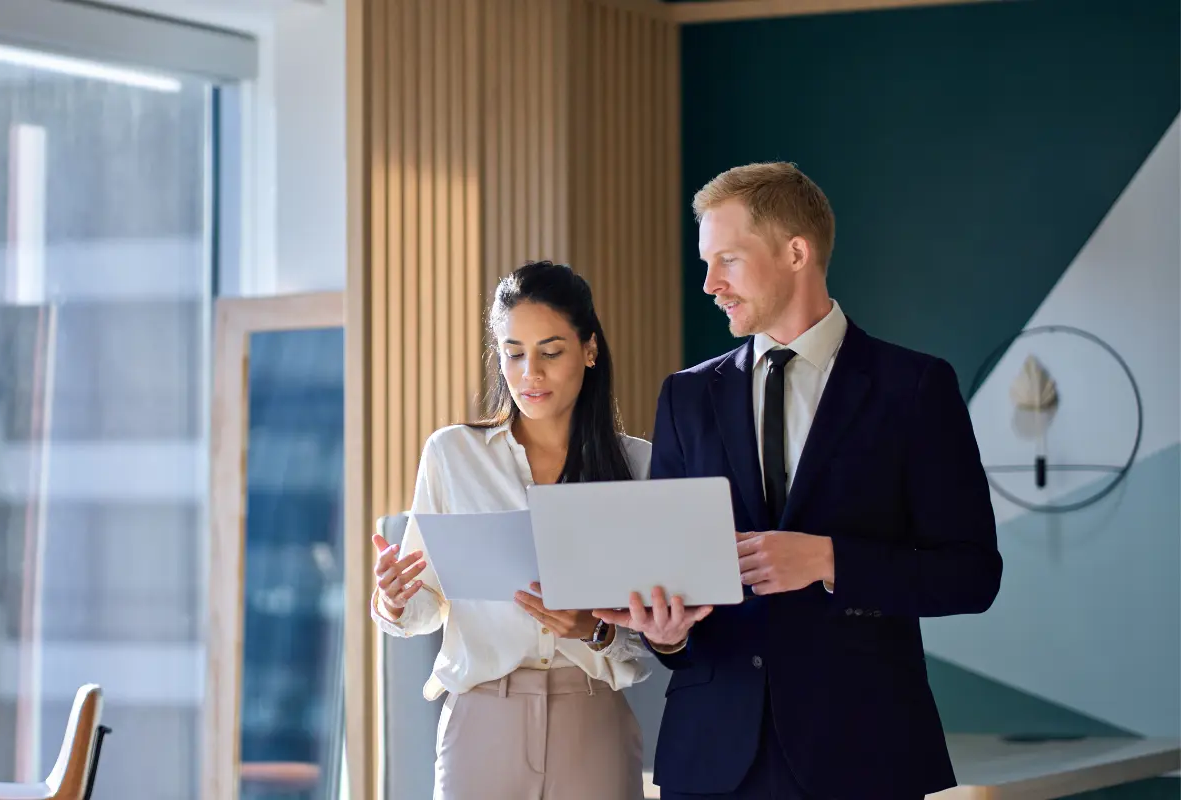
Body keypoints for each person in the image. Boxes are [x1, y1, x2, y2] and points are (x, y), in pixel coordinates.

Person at [596, 163, 1003, 800]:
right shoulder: (685, 396)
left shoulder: (914, 388)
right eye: (706, 263)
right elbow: (671, 583)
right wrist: (665, 633)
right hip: (712, 756)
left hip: (865, 751)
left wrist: (828, 559)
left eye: (727, 259)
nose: (710, 284)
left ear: (796, 251)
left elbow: (974, 574)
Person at [371, 260, 652, 800]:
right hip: (481, 720)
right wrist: (392, 598)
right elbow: (423, 606)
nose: (531, 373)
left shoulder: (638, 466)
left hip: (591, 719)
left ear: (589, 350)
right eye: (514, 353)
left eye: (550, 352)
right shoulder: (452, 455)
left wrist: (594, 627)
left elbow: (659, 635)